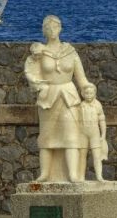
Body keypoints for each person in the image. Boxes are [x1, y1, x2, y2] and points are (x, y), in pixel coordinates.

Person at [24, 15, 91, 182]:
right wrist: (38, 84)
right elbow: (30, 71)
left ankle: (73, 175)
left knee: (71, 135)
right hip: (48, 98)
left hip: (69, 97)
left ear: (60, 28)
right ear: (44, 31)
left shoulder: (71, 52)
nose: (52, 30)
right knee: (47, 136)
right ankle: (45, 173)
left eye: (55, 27)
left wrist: (89, 93)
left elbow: (82, 80)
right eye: (48, 28)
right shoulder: (39, 52)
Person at [80, 83, 107, 182]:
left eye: (91, 93)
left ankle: (99, 176)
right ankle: (81, 176)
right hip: (82, 133)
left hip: (94, 132)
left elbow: (102, 120)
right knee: (82, 155)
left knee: (97, 155)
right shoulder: (81, 105)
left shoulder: (98, 105)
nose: (89, 95)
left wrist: (103, 135)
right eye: (86, 93)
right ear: (83, 94)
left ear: (94, 93)